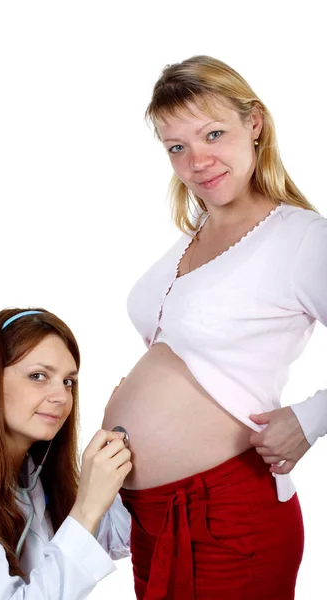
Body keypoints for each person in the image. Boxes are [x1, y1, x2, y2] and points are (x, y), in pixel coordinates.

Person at [102, 55, 327, 599]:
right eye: (177, 147)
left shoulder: (302, 238)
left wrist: (312, 416)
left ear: (255, 124)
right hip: (150, 516)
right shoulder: (187, 240)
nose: (197, 160)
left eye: (213, 134)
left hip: (227, 513)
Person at [0, 308, 132, 599]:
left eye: (68, 381)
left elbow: (104, 538)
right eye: (38, 376)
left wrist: (124, 461)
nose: (61, 396)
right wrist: (86, 508)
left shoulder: (30, 472)